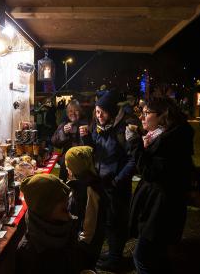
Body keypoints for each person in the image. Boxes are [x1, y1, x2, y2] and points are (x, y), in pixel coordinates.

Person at [125, 97, 194, 274]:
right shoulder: (163, 136)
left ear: (163, 115)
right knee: (158, 255)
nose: (141, 117)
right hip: (158, 204)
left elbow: (149, 172)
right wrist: (144, 146)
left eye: (146, 113)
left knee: (141, 257)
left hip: (161, 207)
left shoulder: (170, 141)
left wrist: (134, 143)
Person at [80, 90, 137, 271]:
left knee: (117, 222)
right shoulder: (99, 128)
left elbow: (133, 159)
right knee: (107, 220)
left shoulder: (123, 129)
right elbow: (95, 151)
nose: (99, 115)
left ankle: (115, 259)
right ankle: (113, 253)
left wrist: (118, 180)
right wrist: (86, 138)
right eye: (97, 111)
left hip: (117, 185)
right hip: (102, 183)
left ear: (111, 111)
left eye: (103, 111)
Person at [17, 174, 81, 274]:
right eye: (59, 200)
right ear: (44, 209)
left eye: (65, 196)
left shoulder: (65, 225)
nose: (67, 202)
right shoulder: (29, 252)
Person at [65, 146, 106, 270]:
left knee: (84, 267)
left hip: (85, 246)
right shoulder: (81, 183)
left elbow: (90, 223)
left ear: (74, 168)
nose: (66, 168)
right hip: (80, 241)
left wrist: (80, 244)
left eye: (68, 165)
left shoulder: (89, 189)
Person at [51, 99, 88, 181]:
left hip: (82, 164)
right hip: (66, 164)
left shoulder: (87, 125)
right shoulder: (64, 124)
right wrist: (63, 132)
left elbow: (93, 146)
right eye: (70, 111)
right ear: (67, 113)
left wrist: (87, 136)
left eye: (76, 111)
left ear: (80, 112)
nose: (73, 114)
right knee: (65, 189)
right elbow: (54, 142)